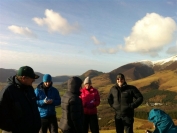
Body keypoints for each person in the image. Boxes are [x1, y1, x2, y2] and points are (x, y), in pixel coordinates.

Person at [0, 66, 41, 133]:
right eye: (32, 78)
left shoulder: (29, 89)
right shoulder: (8, 91)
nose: (34, 80)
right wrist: (14, 129)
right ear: (24, 78)